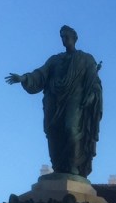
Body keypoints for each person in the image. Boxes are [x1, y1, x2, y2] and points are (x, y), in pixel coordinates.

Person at [6, 25, 103, 178]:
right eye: (62, 37)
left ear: (74, 38)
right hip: (54, 102)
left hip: (75, 101)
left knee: (71, 130)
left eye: (66, 36)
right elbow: (40, 74)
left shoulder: (86, 59)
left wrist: (91, 96)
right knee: (53, 132)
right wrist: (24, 78)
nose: (64, 40)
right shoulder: (55, 60)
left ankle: (72, 164)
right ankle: (59, 166)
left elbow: (94, 83)